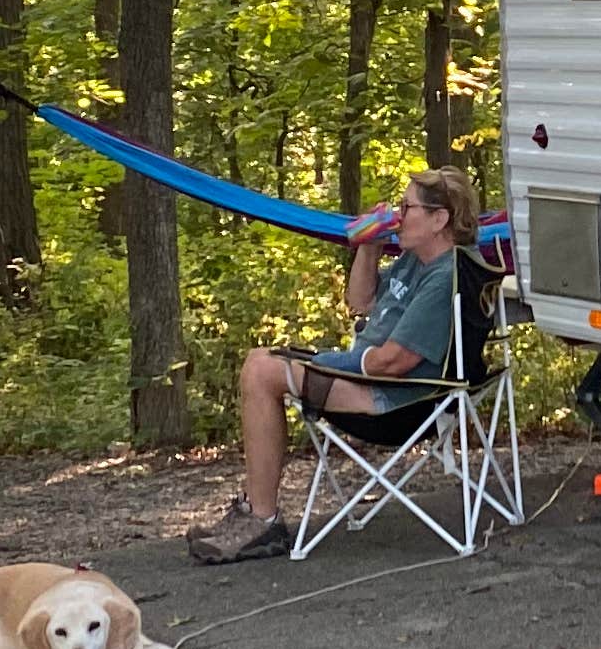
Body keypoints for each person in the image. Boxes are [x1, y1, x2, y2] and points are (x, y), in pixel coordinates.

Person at [191, 167, 476, 563]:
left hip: (394, 402)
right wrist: (371, 243)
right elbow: (360, 302)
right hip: (371, 380)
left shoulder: (446, 276)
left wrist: (331, 361)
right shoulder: (417, 260)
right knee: (259, 359)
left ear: (439, 219)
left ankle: (261, 520)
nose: (398, 215)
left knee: (260, 371)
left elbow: (393, 362)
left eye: (407, 207)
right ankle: (257, 512)